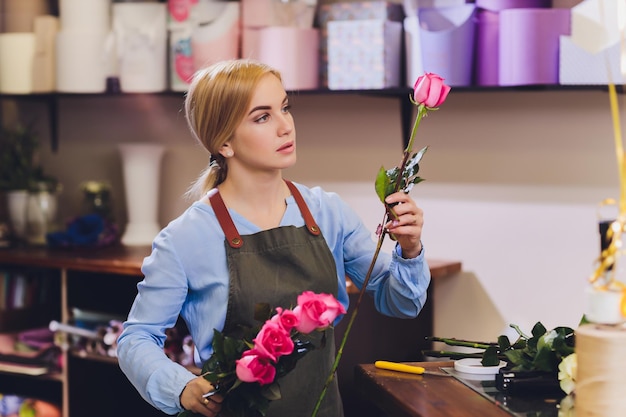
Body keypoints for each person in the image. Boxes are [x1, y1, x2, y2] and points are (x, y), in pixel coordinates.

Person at [116, 59, 431, 417]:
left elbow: (402, 303)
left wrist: (409, 248)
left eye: (285, 108)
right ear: (225, 142)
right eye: (262, 117)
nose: (286, 127)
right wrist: (181, 386)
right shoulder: (185, 238)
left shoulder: (328, 213)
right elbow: (136, 339)